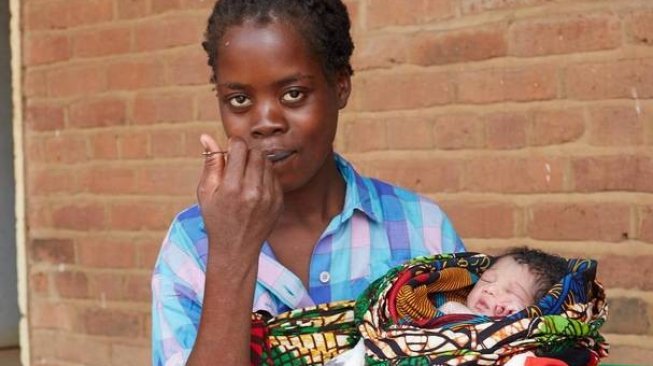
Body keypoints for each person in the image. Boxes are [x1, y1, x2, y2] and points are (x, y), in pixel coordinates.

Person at [151, 1, 465, 365]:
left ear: (341, 85)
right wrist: (230, 252)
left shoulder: (421, 228)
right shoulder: (191, 242)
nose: (266, 122)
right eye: (239, 99)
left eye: (293, 94)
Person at [439, 247, 568, 317]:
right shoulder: (451, 308)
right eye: (487, 279)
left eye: (512, 292)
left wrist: (516, 318)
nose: (490, 289)